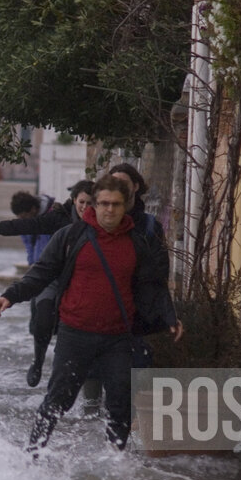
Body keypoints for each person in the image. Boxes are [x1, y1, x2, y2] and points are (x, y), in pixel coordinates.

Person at [0, 175, 183, 452]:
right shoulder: (71, 237)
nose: (109, 210)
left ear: (125, 205)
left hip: (117, 338)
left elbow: (151, 285)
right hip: (75, 334)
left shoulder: (136, 243)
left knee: (119, 404)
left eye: (116, 204)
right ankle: (32, 454)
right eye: (103, 203)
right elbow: (42, 272)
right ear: (93, 204)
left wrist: (169, 317)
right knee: (57, 401)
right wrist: (11, 295)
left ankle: (115, 465)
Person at [0, 180, 96, 387]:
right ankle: (38, 361)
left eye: (90, 203)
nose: (85, 207)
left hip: (83, 282)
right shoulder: (60, 218)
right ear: (74, 200)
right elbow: (29, 225)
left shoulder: (102, 224)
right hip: (54, 277)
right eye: (81, 202)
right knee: (43, 317)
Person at [82, 164, 180, 412]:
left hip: (134, 314)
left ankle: (130, 429)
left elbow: (158, 274)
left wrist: (165, 312)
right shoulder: (95, 222)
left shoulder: (148, 226)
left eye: (123, 183)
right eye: (112, 182)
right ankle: (90, 429)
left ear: (135, 187)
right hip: (97, 311)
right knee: (92, 372)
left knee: (133, 371)